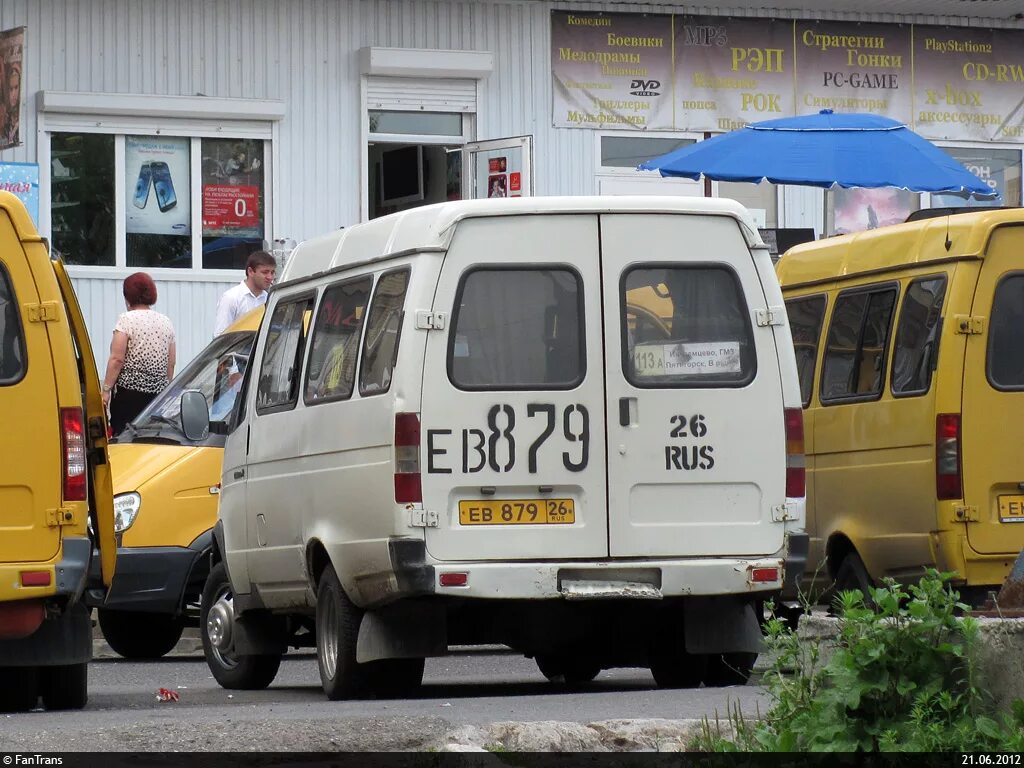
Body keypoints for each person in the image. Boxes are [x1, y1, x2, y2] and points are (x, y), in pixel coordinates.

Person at [102, 272, 176, 435]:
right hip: (157, 396)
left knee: (124, 439)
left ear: (128, 297)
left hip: (129, 395)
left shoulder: (126, 320)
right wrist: (163, 386)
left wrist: (106, 390)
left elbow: (117, 359)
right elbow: (171, 362)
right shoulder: (166, 322)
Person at [213, 250, 276, 335]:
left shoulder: (270, 299)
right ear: (250, 272)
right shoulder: (231, 298)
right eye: (265, 272)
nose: (270, 277)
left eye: (272, 272)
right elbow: (220, 335)